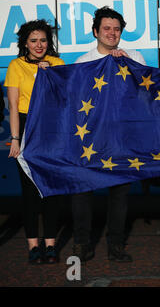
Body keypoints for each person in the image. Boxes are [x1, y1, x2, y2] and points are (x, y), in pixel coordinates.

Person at [71, 6, 146, 263]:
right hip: (90, 139)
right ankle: (82, 244)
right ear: (95, 32)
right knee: (82, 191)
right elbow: (74, 100)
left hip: (121, 138)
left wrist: (128, 65)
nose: (112, 33)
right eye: (106, 28)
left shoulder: (134, 55)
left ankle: (116, 245)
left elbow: (143, 94)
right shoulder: (82, 62)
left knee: (119, 193)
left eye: (116, 29)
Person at [4, 19, 65, 264]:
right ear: (25, 44)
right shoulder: (15, 66)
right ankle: (33, 247)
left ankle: (50, 245)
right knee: (29, 192)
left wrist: (50, 75)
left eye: (43, 40)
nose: (39, 45)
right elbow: (14, 106)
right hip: (27, 128)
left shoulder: (58, 64)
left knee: (50, 191)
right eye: (33, 41)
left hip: (52, 131)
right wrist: (16, 140)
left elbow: (63, 101)